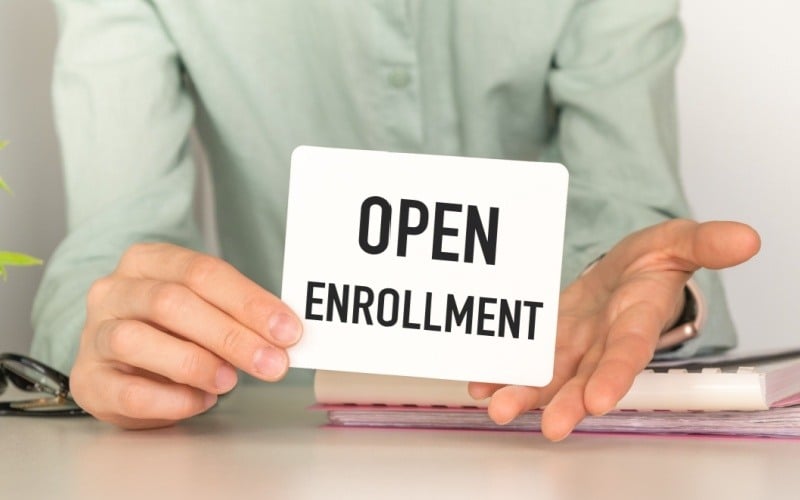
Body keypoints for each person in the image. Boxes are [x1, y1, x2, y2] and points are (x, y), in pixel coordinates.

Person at [32, 0, 759, 440]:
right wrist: (114, 342)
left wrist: (660, 299)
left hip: (551, 432)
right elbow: (112, 250)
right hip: (270, 441)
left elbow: (634, 217)